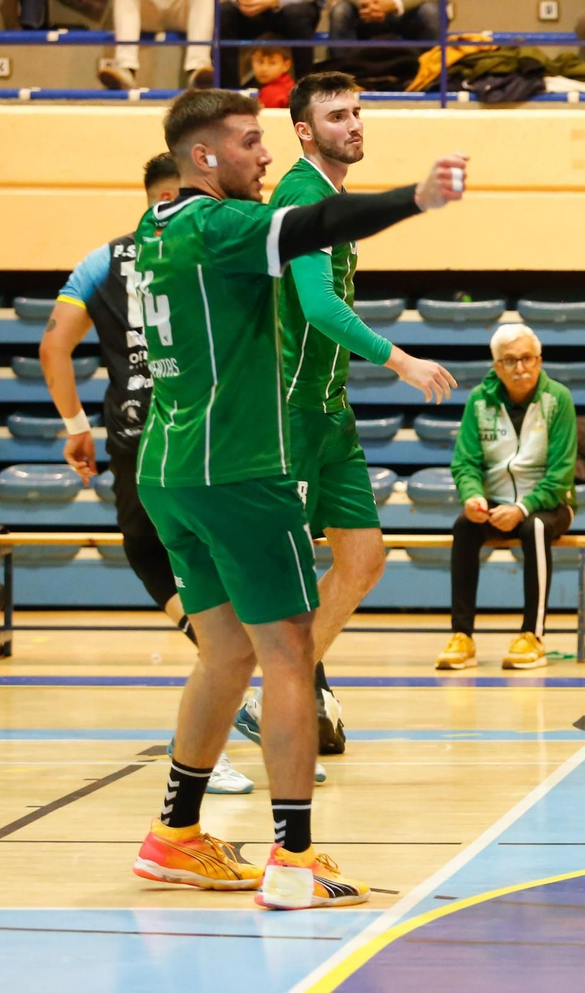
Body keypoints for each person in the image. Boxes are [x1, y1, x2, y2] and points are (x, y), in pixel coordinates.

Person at [127, 88, 467, 909]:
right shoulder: (218, 226)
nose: (266, 157)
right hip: (239, 469)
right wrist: (414, 201)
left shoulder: (153, 226)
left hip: (166, 470)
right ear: (204, 157)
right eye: (250, 142)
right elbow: (311, 230)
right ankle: (293, 857)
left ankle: (173, 835)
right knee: (286, 657)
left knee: (226, 653)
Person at [233, 71, 456, 757]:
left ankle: (278, 688)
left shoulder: (333, 196)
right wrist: (402, 360)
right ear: (304, 131)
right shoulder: (302, 196)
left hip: (330, 411)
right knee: (288, 577)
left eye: (358, 112)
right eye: (336, 116)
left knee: (363, 559)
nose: (354, 125)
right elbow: (321, 308)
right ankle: (258, 693)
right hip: (292, 412)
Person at [39, 152, 253, 796]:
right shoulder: (216, 238)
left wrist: (76, 426)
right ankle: (258, 714)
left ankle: (238, 712)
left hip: (139, 436)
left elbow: (53, 344)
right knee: (229, 580)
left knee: (155, 556)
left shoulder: (103, 260)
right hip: (216, 433)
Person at [438, 324, 578, 671]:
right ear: (496, 366)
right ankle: (462, 636)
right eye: (510, 360)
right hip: (496, 503)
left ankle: (533, 635)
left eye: (527, 358)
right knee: (464, 526)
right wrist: (472, 497)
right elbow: (465, 462)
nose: (521, 368)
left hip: (550, 504)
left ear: (540, 360)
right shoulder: (479, 401)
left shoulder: (557, 399)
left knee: (535, 529)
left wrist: (522, 508)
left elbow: (561, 474)